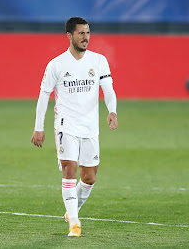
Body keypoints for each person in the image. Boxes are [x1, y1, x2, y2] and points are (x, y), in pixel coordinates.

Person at [31, 16, 118, 237]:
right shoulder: (56, 64)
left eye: (88, 33)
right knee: (69, 169)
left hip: (90, 127)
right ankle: (75, 224)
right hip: (65, 125)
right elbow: (44, 96)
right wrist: (38, 127)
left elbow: (108, 90)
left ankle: (71, 211)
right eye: (81, 33)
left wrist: (112, 111)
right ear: (69, 36)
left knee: (89, 177)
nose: (85, 37)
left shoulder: (99, 61)